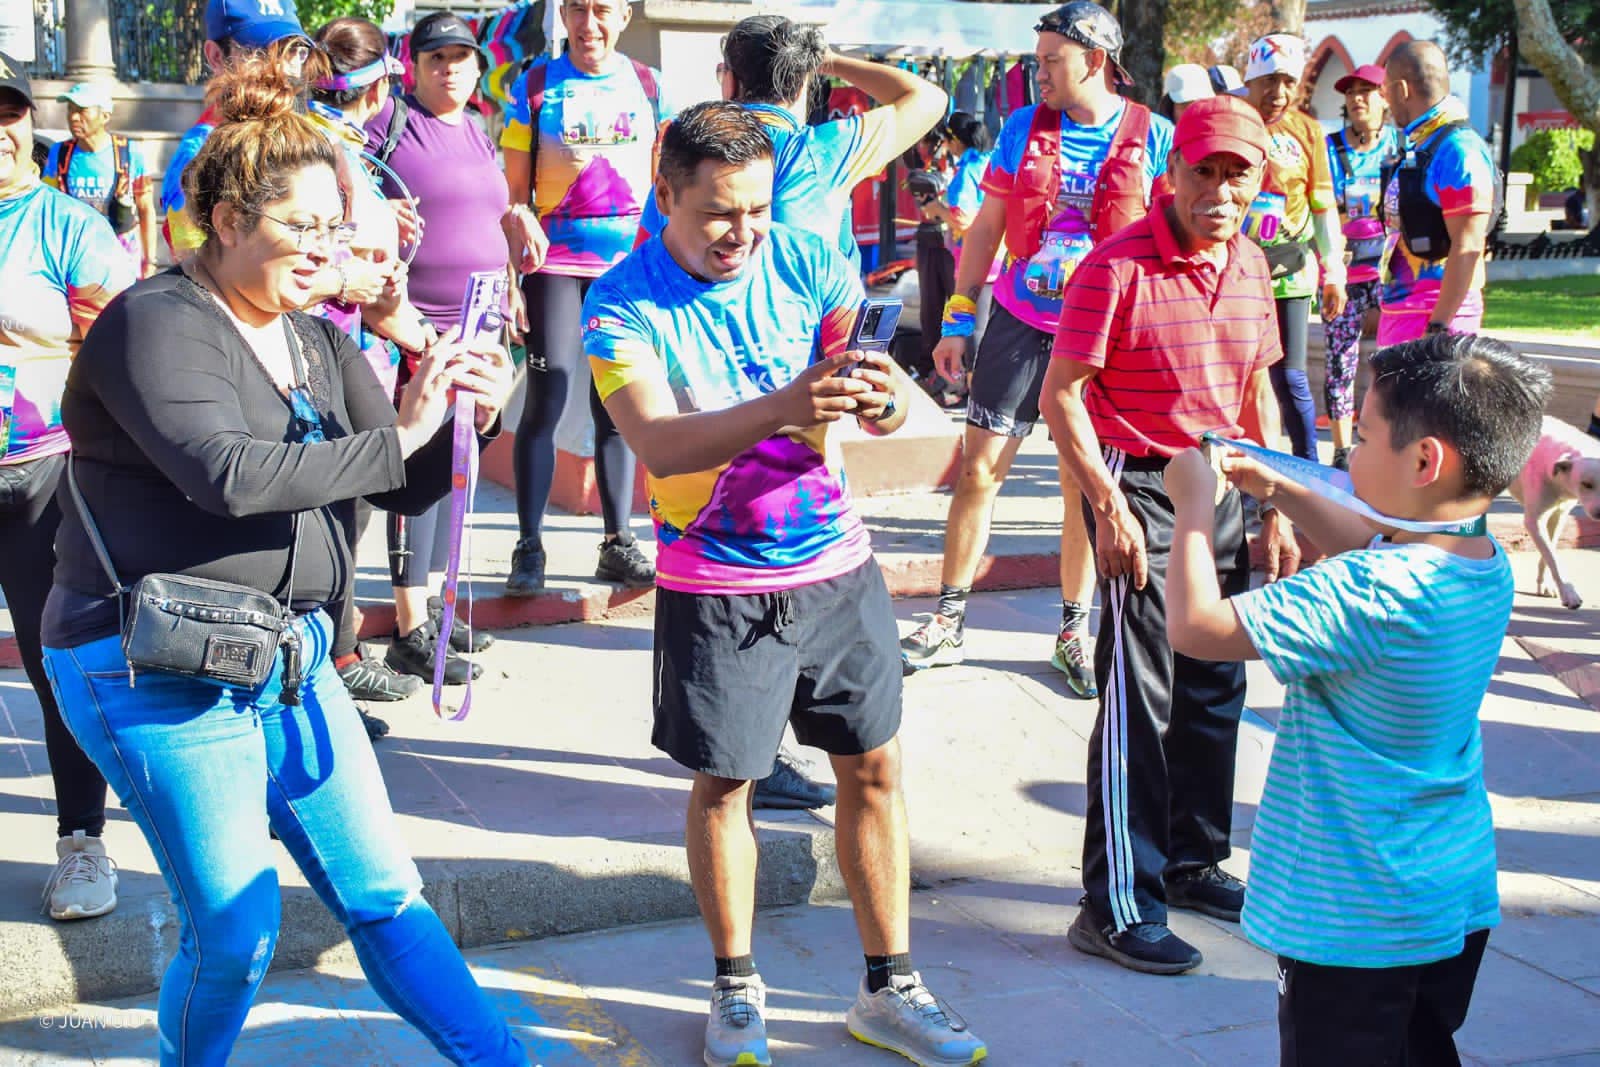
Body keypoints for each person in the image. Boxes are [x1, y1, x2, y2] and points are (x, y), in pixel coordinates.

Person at [39, 58, 524, 1065]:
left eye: (332, 230)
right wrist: (403, 429)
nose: (323, 250)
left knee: (385, 893)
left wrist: (462, 404)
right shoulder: (153, 323)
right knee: (234, 930)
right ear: (223, 219)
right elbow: (225, 473)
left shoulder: (311, 337)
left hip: (291, 654)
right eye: (299, 226)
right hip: (151, 661)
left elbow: (400, 480)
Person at [585, 101, 987, 1067]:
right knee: (728, 785)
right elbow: (659, 442)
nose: (744, 232)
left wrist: (886, 398)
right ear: (665, 189)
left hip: (837, 565)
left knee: (876, 769)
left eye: (759, 208)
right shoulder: (618, 303)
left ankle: (890, 986)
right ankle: (734, 988)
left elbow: (874, 391)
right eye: (719, 211)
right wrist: (786, 403)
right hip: (715, 577)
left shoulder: (807, 259)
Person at [1163, 333, 1551, 1063]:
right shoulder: (1480, 560)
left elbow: (1197, 627)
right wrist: (1275, 487)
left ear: (1425, 460)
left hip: (1352, 916)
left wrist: (1191, 504)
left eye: (1363, 436)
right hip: (1446, 894)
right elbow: (1373, 545)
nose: (1348, 455)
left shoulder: (1369, 592)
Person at [1039, 94, 1301, 975]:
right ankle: (1114, 902)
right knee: (1139, 699)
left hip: (1223, 478)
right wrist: (1105, 503)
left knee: (1215, 683)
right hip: (1137, 482)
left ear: (1258, 180)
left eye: (1239, 174)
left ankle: (1192, 861)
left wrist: (1280, 502)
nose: (1221, 191)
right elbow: (1061, 394)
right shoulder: (1113, 269)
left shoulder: (1254, 264)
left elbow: (1259, 392)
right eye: (1206, 172)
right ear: (1173, 174)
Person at [904, 0, 1174, 698]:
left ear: (1094, 60)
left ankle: (1072, 633)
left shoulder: (1156, 137)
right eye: (1038, 59)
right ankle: (948, 619)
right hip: (1022, 324)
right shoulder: (1023, 128)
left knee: (1081, 485)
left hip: (1102, 337)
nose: (1039, 73)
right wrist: (960, 317)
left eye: (1051, 60)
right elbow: (988, 225)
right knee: (978, 471)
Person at [0, 53, 133, 923]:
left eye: (6, 116)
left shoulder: (66, 226)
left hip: (40, 479)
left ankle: (83, 842)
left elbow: (122, 350)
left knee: (59, 668)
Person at [307, 14, 454, 712]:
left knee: (348, 509)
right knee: (330, 512)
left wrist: (387, 227)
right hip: (314, 353)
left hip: (350, 351)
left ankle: (337, 658)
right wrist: (350, 278)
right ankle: (323, 668)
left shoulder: (347, 152)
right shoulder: (320, 150)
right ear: (378, 89)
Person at [499, 0, 669, 597]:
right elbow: (514, 194)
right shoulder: (537, 84)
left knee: (617, 404)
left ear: (625, 15)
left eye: (601, 10)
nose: (588, 24)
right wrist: (517, 231)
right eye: (576, 9)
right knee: (548, 398)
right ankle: (529, 545)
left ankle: (618, 542)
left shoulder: (648, 85)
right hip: (555, 269)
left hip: (627, 272)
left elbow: (665, 181)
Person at [364, 11, 509, 685]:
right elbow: (347, 198)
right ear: (412, 65)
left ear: (478, 65)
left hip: (483, 319)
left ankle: (441, 610)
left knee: (460, 461)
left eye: (461, 56)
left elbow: (488, 213)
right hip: (412, 322)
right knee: (413, 470)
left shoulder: (480, 128)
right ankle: (409, 625)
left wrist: (519, 237)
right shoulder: (387, 124)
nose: (450, 67)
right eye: (437, 57)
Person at [1241, 33, 1346, 465]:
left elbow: (1324, 208)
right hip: (1236, 275)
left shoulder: (1308, 131)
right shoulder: (1231, 119)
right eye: (1269, 80)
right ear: (1250, 79)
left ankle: (1308, 470)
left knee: (1291, 376)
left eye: (1288, 81)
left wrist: (1334, 271)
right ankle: (1240, 472)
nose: (1278, 92)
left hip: (1292, 273)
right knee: (1241, 376)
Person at [161, 0, 315, 258]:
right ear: (216, 56)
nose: (282, 67)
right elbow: (194, 270)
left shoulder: (314, 136)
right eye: (260, 53)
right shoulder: (198, 155)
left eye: (291, 50)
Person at [1378, 41, 1497, 345]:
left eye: (1385, 89)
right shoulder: (1423, 143)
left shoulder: (1458, 149)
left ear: (1402, 89)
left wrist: (1439, 328)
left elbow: (1468, 241)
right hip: (1402, 314)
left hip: (1433, 321)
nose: (1384, 99)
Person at [1322, 63, 1401, 471]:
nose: (1357, 100)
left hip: (1390, 274)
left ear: (1385, 98)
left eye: (1366, 92)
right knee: (1340, 361)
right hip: (1344, 274)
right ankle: (1339, 449)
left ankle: (1384, 444)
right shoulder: (1330, 148)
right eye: (1351, 92)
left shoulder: (1398, 146)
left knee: (1391, 362)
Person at [916, 111, 996, 404]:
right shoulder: (990, 161)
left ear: (953, 141)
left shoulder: (968, 170)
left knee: (972, 326)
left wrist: (936, 210)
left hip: (974, 260)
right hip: (1001, 257)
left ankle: (975, 393)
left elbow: (961, 219)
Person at [43, 81, 159, 278]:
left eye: (82, 110)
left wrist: (149, 262)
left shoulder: (129, 153)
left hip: (120, 260)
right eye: (70, 110)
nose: (73, 117)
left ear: (105, 116)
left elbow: (146, 208)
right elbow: (46, 205)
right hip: (74, 259)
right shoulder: (59, 153)